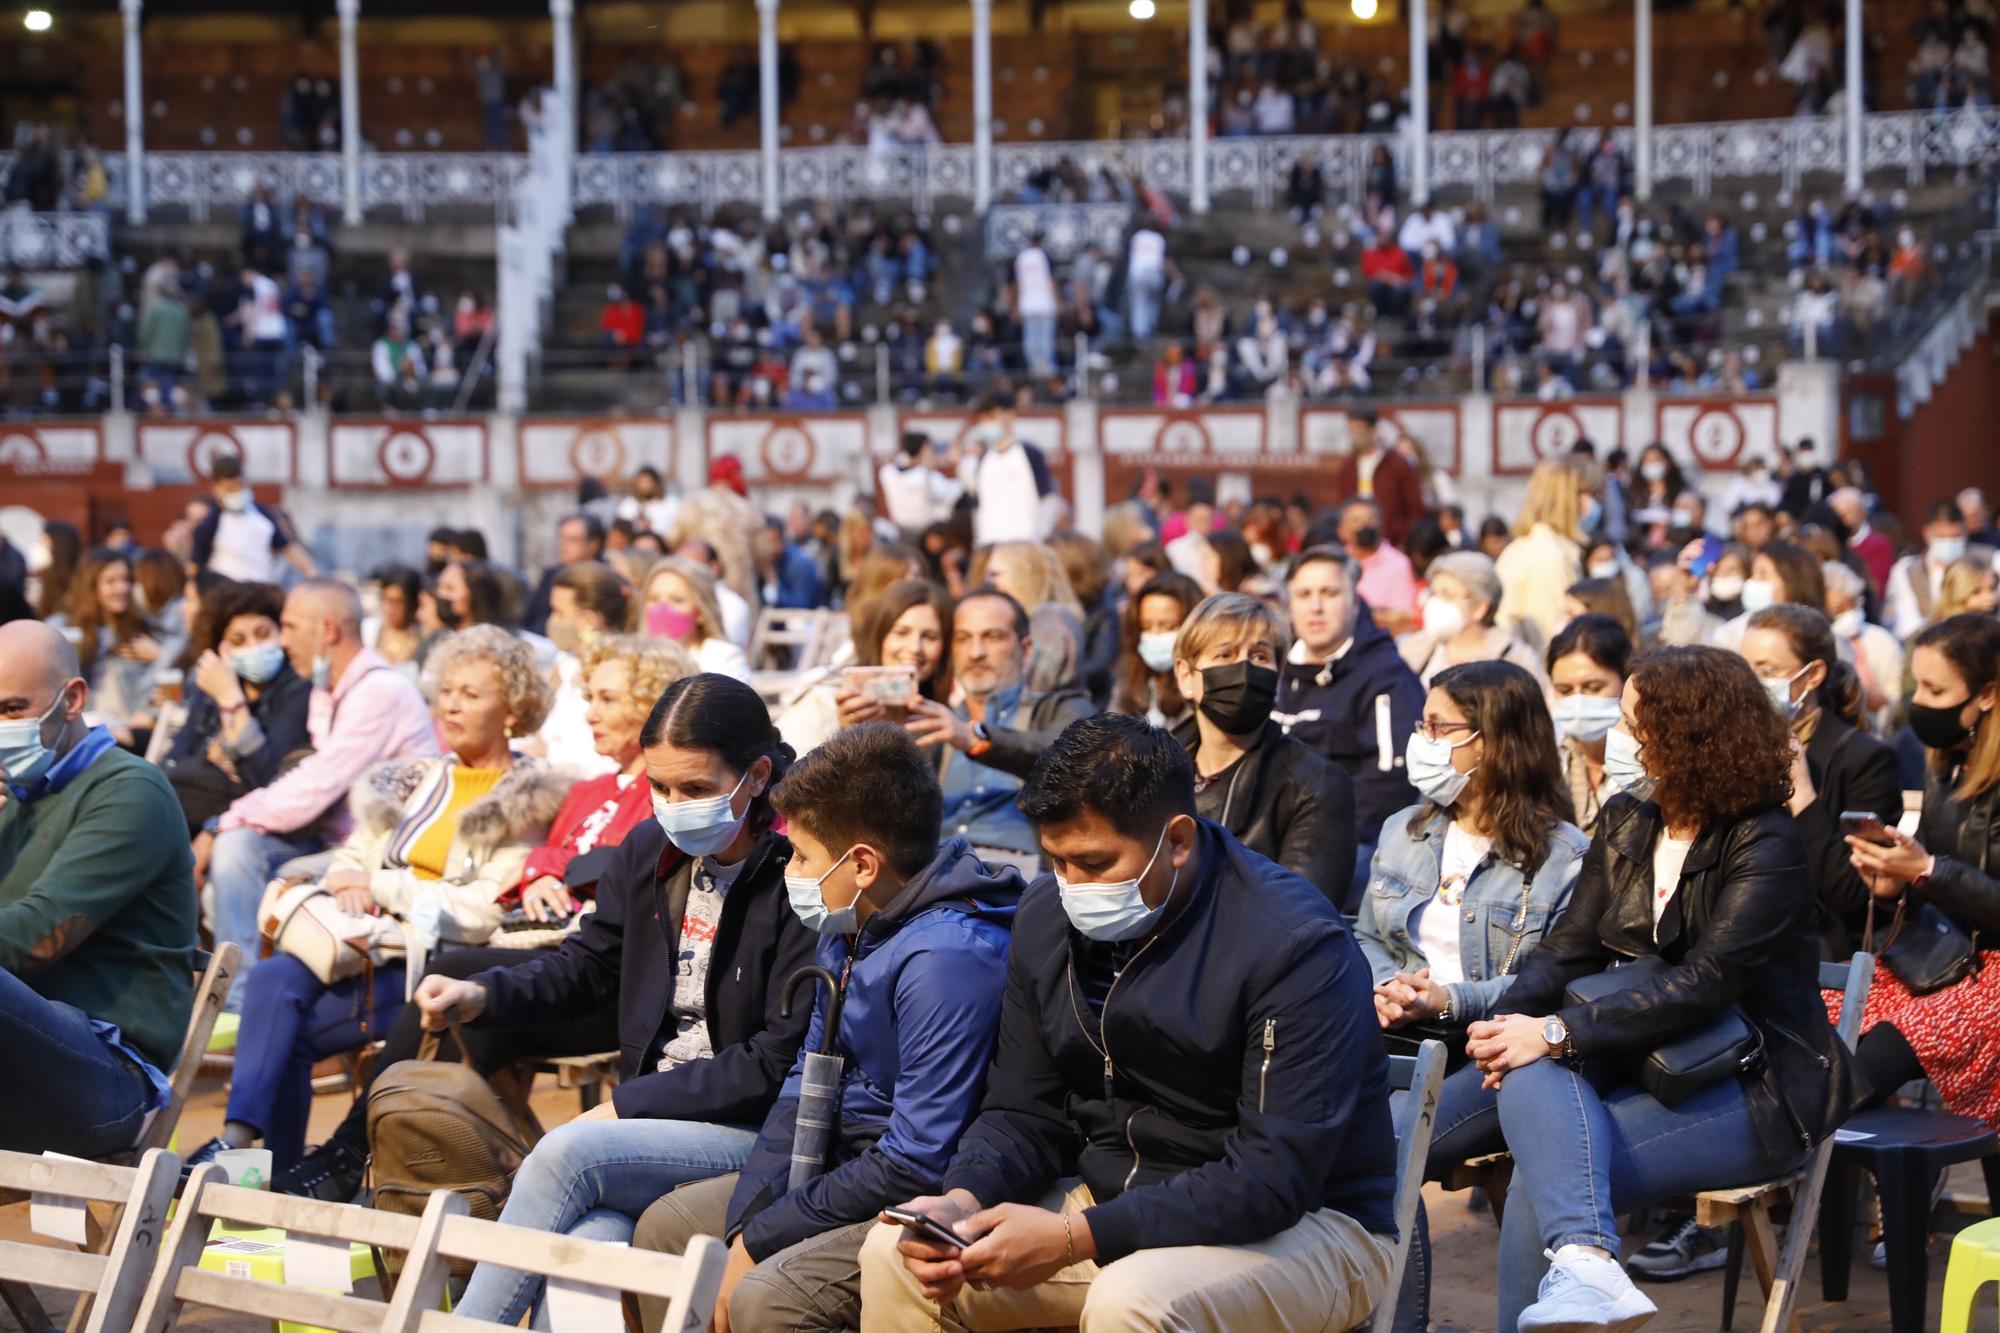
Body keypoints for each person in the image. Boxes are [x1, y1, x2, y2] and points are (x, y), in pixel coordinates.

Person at [860, 714, 1401, 1332]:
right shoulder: (1045, 916)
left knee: (1132, 1299)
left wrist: (1075, 1237)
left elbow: (1274, 1179)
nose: (1069, 885)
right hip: (1114, 1203)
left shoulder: (1292, 943)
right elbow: (1021, 1109)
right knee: (897, 1257)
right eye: (1056, 861)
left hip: (1314, 1227)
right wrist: (963, 1197)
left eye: (1093, 863)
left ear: (1177, 840)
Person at [1467, 645, 1857, 1330]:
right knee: (1452, 1105)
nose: (1612, 736)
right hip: (1639, 1059)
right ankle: (1583, 1268)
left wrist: (1557, 1032)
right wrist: (1506, 1021)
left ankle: (1582, 1267)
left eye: (1629, 721)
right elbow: (1565, 949)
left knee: (1544, 1170)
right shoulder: (1628, 816)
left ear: (1682, 735)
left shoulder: (1764, 839)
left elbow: (1707, 983)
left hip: (1756, 1083)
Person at [443, 674, 813, 1324]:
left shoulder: (800, 873)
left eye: (695, 788)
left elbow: (773, 1061)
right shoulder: (649, 848)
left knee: (563, 1155)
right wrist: (482, 993)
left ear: (756, 774)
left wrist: (628, 1105)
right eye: (659, 786)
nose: (672, 804)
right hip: (645, 1120)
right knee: (590, 1245)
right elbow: (588, 965)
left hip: (748, 1130)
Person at [274, 634, 697, 1202]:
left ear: (653, 707)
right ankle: (411, 1179)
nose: (591, 713)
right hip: (549, 954)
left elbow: (625, 864)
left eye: (609, 700)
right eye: (590, 697)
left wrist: (558, 869)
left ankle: (360, 1159)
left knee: (456, 982)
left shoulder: (665, 790)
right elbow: (543, 862)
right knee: (458, 1013)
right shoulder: (590, 789)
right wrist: (551, 871)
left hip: (608, 981)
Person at [629, 724, 1022, 1332]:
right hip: (839, 1161)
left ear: (862, 864)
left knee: (767, 1295)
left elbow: (916, 1158)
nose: (795, 868)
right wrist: (746, 1227)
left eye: (805, 855)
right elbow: (801, 1086)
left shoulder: (949, 958)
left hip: (912, 1191)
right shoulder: (849, 923)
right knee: (667, 1229)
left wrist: (764, 1241)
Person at [185, 626, 562, 1173]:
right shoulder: (423, 777)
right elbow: (352, 854)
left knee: (281, 1025)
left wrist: (378, 886)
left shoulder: (530, 796)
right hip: (365, 945)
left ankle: (262, 1166)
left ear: (513, 712)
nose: (451, 705)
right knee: (273, 982)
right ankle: (248, 1150)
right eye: (448, 690)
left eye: (471, 695)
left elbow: (481, 911)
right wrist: (347, 878)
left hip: (430, 967)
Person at [1355, 659, 1587, 1333]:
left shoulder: (1562, 855)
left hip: (1493, 1055)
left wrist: (1448, 999)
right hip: (1397, 1037)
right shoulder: (1408, 828)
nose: (1421, 740)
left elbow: (1549, 977)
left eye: (1438, 726)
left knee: (1386, 1145)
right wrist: (1385, 985)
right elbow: (1369, 935)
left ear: (1493, 740)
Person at [0, 621, 196, 1156]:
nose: (1, 728)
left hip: (109, 1077)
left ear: (73, 698)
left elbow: (35, 938)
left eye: (13, 709)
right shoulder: (13, 794)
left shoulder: (130, 791)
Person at [199, 580, 440, 1013]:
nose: (283, 640)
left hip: (382, 853)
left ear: (327, 630)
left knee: (277, 873)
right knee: (237, 851)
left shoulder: (378, 691)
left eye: (289, 627)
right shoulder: (328, 686)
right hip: (335, 839)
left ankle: (266, 1012)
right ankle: (240, 1005)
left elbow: (313, 787)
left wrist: (220, 823)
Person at [1840, 615, 2000, 1136]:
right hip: (1946, 963)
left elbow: (1953, 877)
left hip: (1985, 980)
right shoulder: (1944, 760)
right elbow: (1939, 882)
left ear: (1987, 695)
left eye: (1936, 689)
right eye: (1918, 686)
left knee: (1854, 1073)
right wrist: (1897, 886)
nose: (1921, 702)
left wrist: (1929, 871)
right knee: (1822, 1026)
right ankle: (1864, 1205)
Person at [1174, 592, 1357, 904]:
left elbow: (1301, 914)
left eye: (1259, 657)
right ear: (1186, 675)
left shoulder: (1314, 784)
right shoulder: (1148, 769)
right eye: (1225, 655)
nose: (1244, 670)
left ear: (1278, 678)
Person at [1273, 547, 1424, 910]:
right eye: (1304, 595)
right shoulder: (1274, 668)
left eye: (1329, 593)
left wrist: (1310, 837)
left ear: (1355, 601)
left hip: (1352, 842)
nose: (1316, 606)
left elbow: (1388, 785)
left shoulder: (1387, 676)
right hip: (1272, 835)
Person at [913, 589, 1095, 876]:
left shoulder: (1058, 708)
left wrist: (978, 740)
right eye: (963, 639)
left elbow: (1072, 756)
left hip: (1022, 879)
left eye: (992, 637)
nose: (976, 653)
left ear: (1025, 649)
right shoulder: (932, 723)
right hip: (935, 876)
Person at [160, 580, 312, 835]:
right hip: (192, 803)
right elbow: (178, 755)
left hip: (252, 817)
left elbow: (266, 779)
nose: (253, 647)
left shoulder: (298, 688)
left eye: (263, 634)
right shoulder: (210, 687)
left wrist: (232, 700)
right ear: (222, 648)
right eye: (238, 640)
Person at [778, 578, 950, 758]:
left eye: (929, 637)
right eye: (901, 633)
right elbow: (788, 779)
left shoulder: (936, 719)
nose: (915, 648)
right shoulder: (823, 704)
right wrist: (846, 741)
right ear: (879, 636)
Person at [54, 547, 175, 744]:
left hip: (129, 728)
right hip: (82, 727)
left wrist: (159, 656)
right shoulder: (64, 628)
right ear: (91, 586)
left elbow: (164, 689)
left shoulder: (142, 630)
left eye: (126, 580)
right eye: (111, 581)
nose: (122, 588)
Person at [539, 561, 637, 777]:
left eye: (559, 613)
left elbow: (599, 755)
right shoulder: (566, 665)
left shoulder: (622, 672)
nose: (551, 621)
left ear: (588, 621)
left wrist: (546, 754)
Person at [1496, 454, 1600, 652]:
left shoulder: (1526, 546)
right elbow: (1549, 635)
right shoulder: (1550, 556)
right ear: (1568, 498)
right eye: (1589, 494)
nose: (1593, 504)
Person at [1401, 550, 1546, 689]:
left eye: (1447, 595)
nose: (1435, 603)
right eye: (1433, 593)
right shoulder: (1413, 649)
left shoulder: (1517, 658)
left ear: (1480, 608)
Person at [1547, 614, 1632, 837]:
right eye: (1564, 691)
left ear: (1626, 680)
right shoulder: (1548, 756)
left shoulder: (1648, 760)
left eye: (1593, 688)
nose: (1578, 701)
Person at [190, 453, 318, 585]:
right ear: (215, 489)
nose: (235, 491)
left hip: (260, 592)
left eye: (239, 485)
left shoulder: (263, 516)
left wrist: (313, 575)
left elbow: (288, 548)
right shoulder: (210, 524)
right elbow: (196, 566)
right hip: (225, 596)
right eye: (229, 488)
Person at [1110, 571, 1205, 729]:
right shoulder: (1127, 674)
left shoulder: (1203, 686)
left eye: (1168, 626)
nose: (1155, 635)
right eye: (1146, 626)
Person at [958, 393, 1053, 549]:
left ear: (1010, 415)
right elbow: (976, 499)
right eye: (983, 418)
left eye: (992, 416)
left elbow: (1047, 500)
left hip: (1025, 544)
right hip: (990, 544)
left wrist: (1039, 538)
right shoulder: (983, 459)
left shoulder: (1029, 454)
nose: (987, 423)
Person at [639, 557, 753, 683]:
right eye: (654, 599)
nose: (662, 609)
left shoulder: (724, 659)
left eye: (677, 600)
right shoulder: (633, 657)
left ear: (701, 612)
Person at [1335, 409, 1427, 549]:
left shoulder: (1397, 464)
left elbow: (1415, 509)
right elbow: (1343, 505)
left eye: (1359, 430)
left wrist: (1403, 540)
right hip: (1356, 545)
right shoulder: (1348, 467)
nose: (1355, 435)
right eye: (1351, 431)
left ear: (1373, 430)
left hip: (1392, 543)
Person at [524, 512, 606, 637]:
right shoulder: (552, 574)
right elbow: (533, 620)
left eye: (572, 540)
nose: (564, 546)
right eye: (562, 538)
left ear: (593, 544)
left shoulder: (607, 578)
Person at [879, 431, 964, 539]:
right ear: (924, 448)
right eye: (930, 447)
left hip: (900, 530)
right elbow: (952, 494)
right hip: (926, 532)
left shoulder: (887, 472)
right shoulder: (928, 476)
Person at [1830, 486, 1895, 595]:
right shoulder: (1831, 543)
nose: (1840, 521)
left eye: (1845, 515)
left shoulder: (1879, 545)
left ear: (1861, 513)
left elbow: (1877, 589)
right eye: (1836, 516)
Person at [363, 564, 424, 671]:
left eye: (397, 602)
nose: (390, 608)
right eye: (386, 600)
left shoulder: (420, 640)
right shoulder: (369, 632)